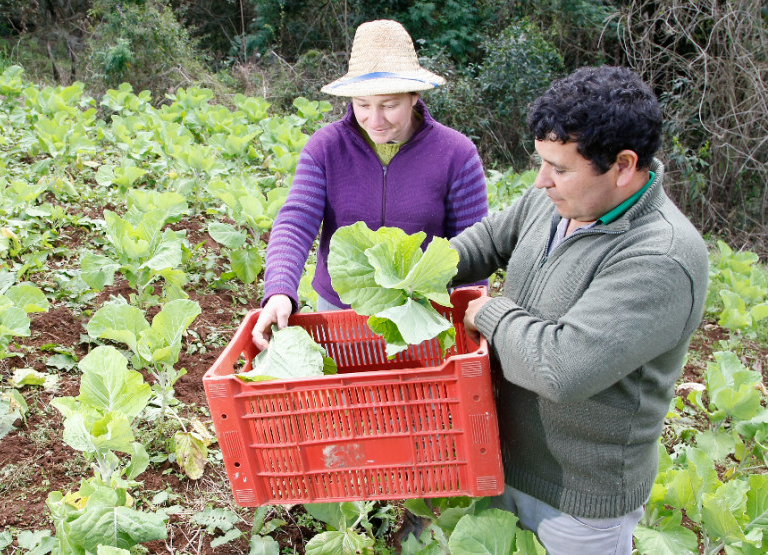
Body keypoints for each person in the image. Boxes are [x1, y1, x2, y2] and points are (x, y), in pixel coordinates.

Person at [448, 65, 709, 554]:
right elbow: (486, 242)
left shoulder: (662, 256)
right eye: (541, 161)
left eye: (560, 167)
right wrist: (406, 272)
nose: (542, 180)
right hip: (500, 459)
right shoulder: (560, 199)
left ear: (624, 165)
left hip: (579, 502)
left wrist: (488, 313)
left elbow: (563, 368)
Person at [251, 19, 489, 350]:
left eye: (389, 105)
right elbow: (296, 219)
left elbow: (474, 244)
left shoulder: (456, 154)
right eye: (363, 105)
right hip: (341, 312)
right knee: (352, 399)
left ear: (414, 96)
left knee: (424, 400)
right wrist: (279, 290)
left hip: (422, 315)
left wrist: (471, 306)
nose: (375, 120)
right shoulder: (326, 147)